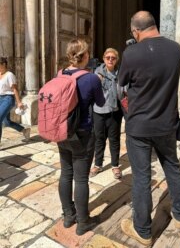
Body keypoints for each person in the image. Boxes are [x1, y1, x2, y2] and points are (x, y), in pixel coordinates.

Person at [118, 11, 180, 246]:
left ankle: (143, 231)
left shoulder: (131, 53)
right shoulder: (176, 49)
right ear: (154, 25)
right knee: (172, 167)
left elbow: (122, 83)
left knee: (141, 177)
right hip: (167, 123)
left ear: (135, 31)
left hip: (139, 126)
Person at [57, 39, 105, 236]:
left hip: (62, 132)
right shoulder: (91, 78)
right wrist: (99, 83)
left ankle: (69, 216)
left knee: (66, 173)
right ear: (84, 56)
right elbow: (101, 103)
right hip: (82, 134)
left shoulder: (59, 74)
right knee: (81, 179)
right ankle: (83, 222)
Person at [90, 48, 123, 179]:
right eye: (108, 57)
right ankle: (98, 164)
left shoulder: (120, 73)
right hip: (99, 110)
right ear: (103, 58)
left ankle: (115, 165)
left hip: (114, 111)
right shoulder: (96, 73)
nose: (110, 60)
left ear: (116, 60)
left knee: (114, 139)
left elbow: (124, 90)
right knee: (99, 138)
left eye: (113, 58)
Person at [0, 57, 30, 144]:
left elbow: (15, 89)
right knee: (7, 122)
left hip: (8, 99)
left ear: (4, 64)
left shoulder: (9, 75)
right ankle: (24, 130)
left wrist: (19, 102)